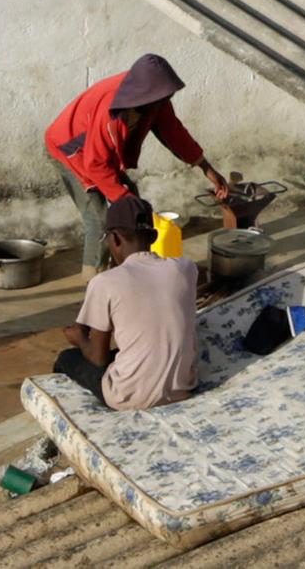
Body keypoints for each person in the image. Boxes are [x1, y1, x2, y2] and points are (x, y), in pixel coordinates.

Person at [46, 55, 234, 274]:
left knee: (130, 202)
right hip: (71, 151)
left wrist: (206, 167)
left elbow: (173, 132)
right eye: (165, 96)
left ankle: (123, 268)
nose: (168, 100)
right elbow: (96, 164)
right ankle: (94, 280)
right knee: (101, 219)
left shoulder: (154, 99)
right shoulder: (111, 112)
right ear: (146, 94)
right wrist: (125, 201)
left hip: (98, 154)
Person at [53, 196, 197, 411]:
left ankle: (64, 422)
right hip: (181, 388)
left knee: (67, 358)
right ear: (154, 236)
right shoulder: (185, 269)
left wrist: (80, 339)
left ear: (115, 240)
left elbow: (98, 358)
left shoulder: (105, 282)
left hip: (128, 396)